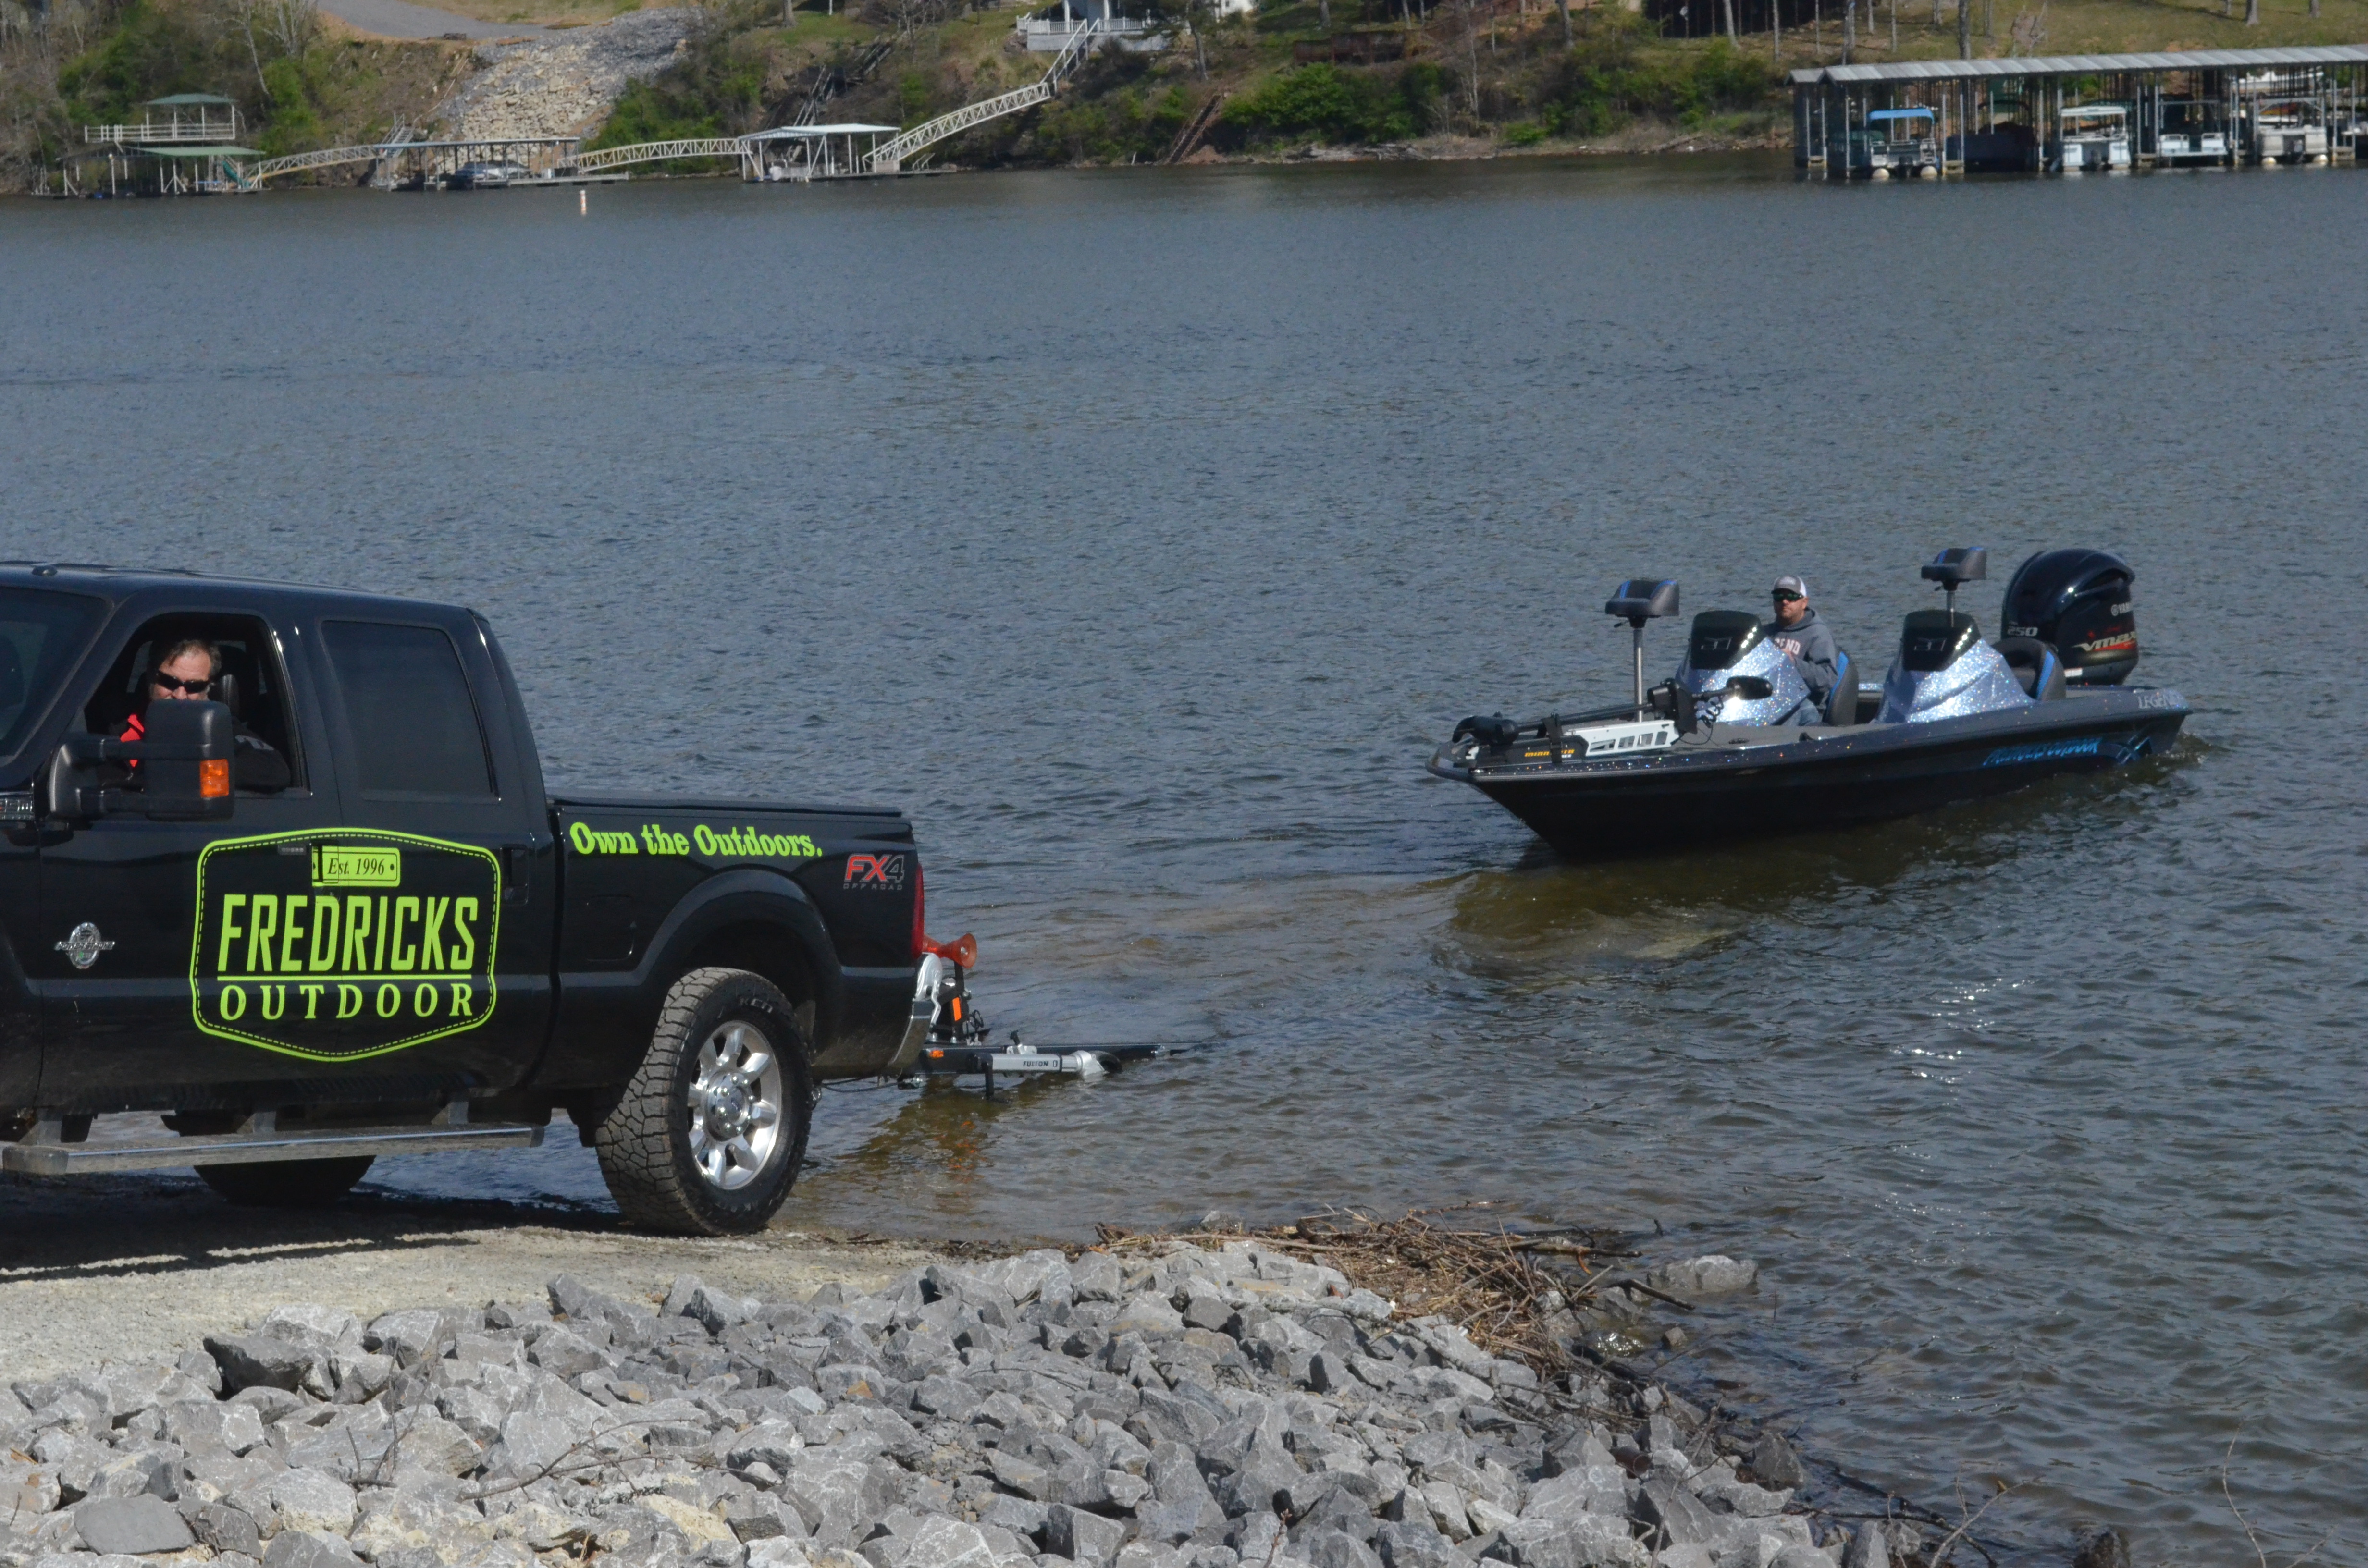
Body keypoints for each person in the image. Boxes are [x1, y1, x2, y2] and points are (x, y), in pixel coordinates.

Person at [119, 638, 290, 791]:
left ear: (208, 688)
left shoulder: (221, 730)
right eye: (169, 682)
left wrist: (189, 771)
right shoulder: (115, 725)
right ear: (150, 675)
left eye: (194, 687)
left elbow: (274, 769)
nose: (180, 695)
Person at [1764, 575, 1840, 719]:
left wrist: (1793, 663)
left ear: (1804, 602)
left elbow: (1827, 678)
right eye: (1779, 596)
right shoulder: (1765, 634)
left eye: (1792, 597)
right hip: (1769, 702)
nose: (1785, 602)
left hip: (1806, 707)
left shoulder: (1818, 633)